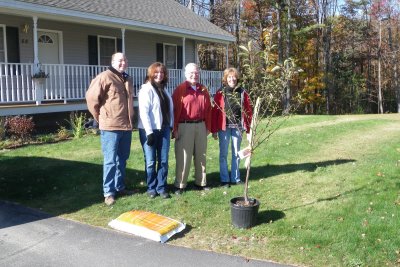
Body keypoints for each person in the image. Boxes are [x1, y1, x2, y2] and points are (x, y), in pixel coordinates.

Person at [86, 52, 135, 206]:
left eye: (125, 60)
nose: (123, 63)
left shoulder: (127, 78)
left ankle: (119, 187)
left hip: (126, 126)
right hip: (110, 127)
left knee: (122, 159)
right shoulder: (104, 77)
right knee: (110, 161)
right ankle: (108, 192)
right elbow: (91, 98)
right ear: (113, 61)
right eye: (120, 60)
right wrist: (100, 117)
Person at [172, 63, 212, 194]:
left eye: (196, 73)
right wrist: (175, 128)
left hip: (201, 125)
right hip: (185, 126)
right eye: (191, 73)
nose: (194, 75)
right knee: (184, 156)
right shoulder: (180, 89)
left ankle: (201, 182)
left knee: (201, 155)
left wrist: (208, 126)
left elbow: (208, 110)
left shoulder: (203, 89)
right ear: (185, 74)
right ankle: (180, 184)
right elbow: (174, 110)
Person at [211, 67, 253, 187]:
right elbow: (215, 112)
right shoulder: (220, 92)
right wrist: (214, 130)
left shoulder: (242, 92)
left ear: (237, 78)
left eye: (233, 77)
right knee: (223, 154)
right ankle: (225, 179)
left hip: (237, 128)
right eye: (229, 77)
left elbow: (248, 110)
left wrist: (248, 128)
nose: (232, 79)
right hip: (224, 128)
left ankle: (235, 178)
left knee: (236, 153)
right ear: (225, 79)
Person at [138, 62, 173, 199]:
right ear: (151, 74)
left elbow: (169, 111)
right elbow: (144, 113)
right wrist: (149, 132)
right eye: (156, 72)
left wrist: (171, 125)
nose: (159, 75)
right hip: (150, 130)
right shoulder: (146, 90)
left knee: (163, 160)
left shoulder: (164, 90)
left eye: (162, 72)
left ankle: (161, 187)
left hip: (163, 129)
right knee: (151, 161)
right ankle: (151, 187)